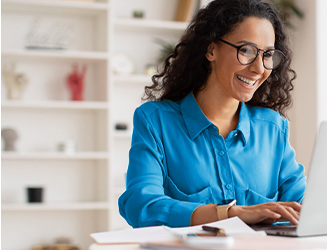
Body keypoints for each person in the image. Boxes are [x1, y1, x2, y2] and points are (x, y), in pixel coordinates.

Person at [118, 0, 306, 228]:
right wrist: (230, 214)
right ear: (211, 49)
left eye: (267, 55)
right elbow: (141, 205)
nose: (259, 68)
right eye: (246, 50)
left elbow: (304, 207)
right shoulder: (156, 122)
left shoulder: (273, 128)